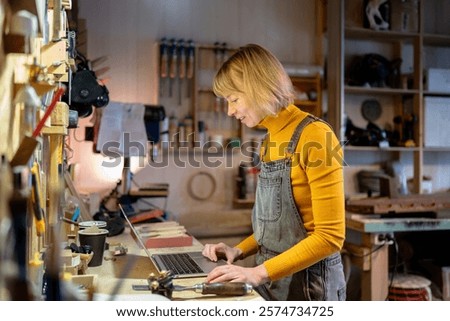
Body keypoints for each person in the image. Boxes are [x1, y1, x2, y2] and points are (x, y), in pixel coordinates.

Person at [202, 44, 346, 301]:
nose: (230, 111)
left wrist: (257, 273)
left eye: (234, 99)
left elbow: (330, 237)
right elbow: (274, 229)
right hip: (274, 280)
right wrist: (238, 250)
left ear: (259, 87)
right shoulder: (269, 140)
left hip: (310, 285)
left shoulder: (316, 135)